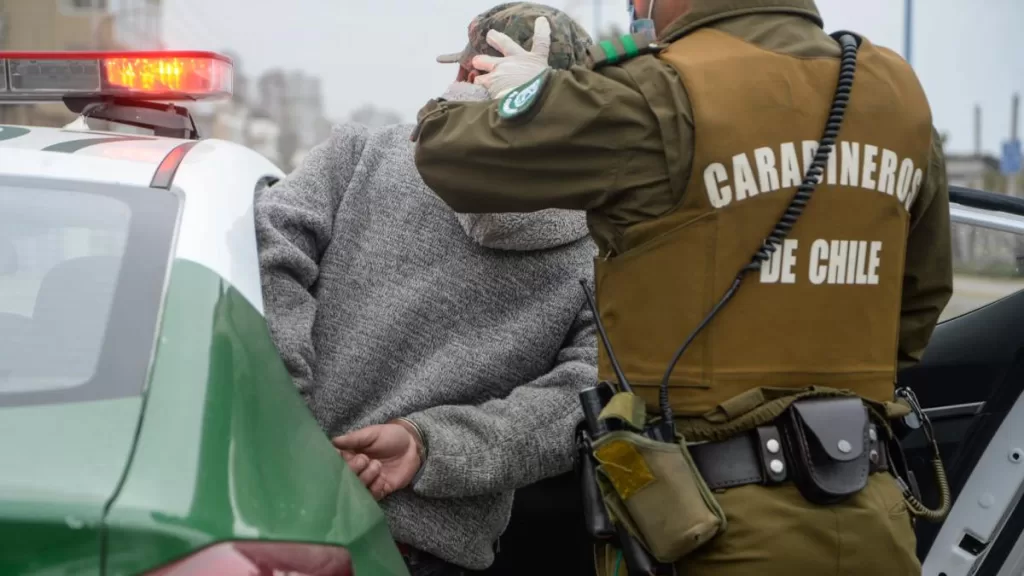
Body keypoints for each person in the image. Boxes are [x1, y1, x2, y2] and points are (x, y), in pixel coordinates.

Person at [411, 0, 953, 574]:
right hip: (875, 519)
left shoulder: (657, 88)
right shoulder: (895, 93)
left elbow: (448, 152)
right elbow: (917, 304)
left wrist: (512, 91)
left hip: (707, 530)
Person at [254, 4, 598, 574]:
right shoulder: (598, 246)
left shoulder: (360, 155)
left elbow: (265, 253)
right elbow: (582, 402)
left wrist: (291, 419)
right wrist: (427, 446)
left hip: (273, 512)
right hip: (425, 554)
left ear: (465, 74)